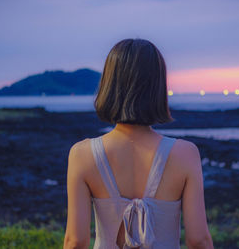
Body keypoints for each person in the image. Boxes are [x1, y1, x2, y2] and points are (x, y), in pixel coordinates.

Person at [64, 39, 214, 249]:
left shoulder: (82, 154)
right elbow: (198, 240)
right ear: (158, 87)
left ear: (109, 86)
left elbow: (75, 241)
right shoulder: (185, 154)